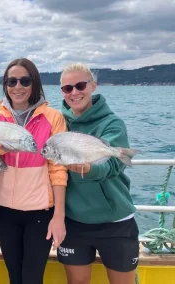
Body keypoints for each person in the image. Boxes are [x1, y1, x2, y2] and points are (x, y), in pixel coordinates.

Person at [0, 58, 68, 284]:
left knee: (32, 277)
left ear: (34, 83)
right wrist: (2, 141)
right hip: (4, 210)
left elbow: (58, 169)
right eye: (12, 81)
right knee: (14, 275)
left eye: (25, 80)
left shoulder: (53, 118)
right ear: (5, 84)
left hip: (40, 211)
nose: (18, 87)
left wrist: (58, 216)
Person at [57, 63, 139, 284]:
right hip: (74, 222)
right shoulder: (59, 124)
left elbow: (112, 165)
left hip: (116, 221)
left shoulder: (112, 124)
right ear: (62, 92)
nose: (75, 92)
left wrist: (89, 169)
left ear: (93, 86)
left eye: (80, 85)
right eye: (67, 88)